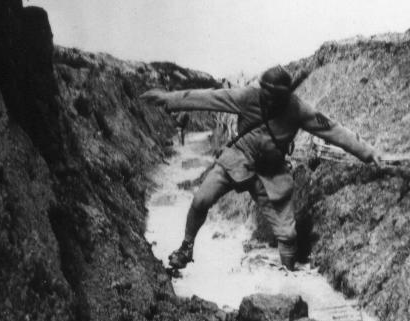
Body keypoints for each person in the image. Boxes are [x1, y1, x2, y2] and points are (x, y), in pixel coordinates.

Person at [140, 65, 381, 271]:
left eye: (270, 94)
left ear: (282, 95)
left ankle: (288, 278)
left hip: (271, 173)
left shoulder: (297, 109)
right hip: (236, 160)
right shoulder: (248, 96)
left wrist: (368, 153)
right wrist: (169, 99)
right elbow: (210, 97)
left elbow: (332, 129)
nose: (264, 97)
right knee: (201, 199)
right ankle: (186, 248)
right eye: (263, 91)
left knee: (287, 236)